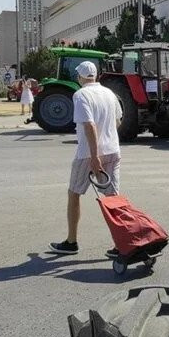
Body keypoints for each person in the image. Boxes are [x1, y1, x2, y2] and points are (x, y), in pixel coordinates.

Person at [49, 61, 123, 257]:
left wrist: (94, 156)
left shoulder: (81, 95)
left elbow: (89, 125)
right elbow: (117, 121)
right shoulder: (109, 93)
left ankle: (71, 241)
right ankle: (121, 244)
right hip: (112, 150)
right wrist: (107, 139)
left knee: (74, 193)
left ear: (80, 77)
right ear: (96, 75)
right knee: (113, 198)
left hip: (88, 154)